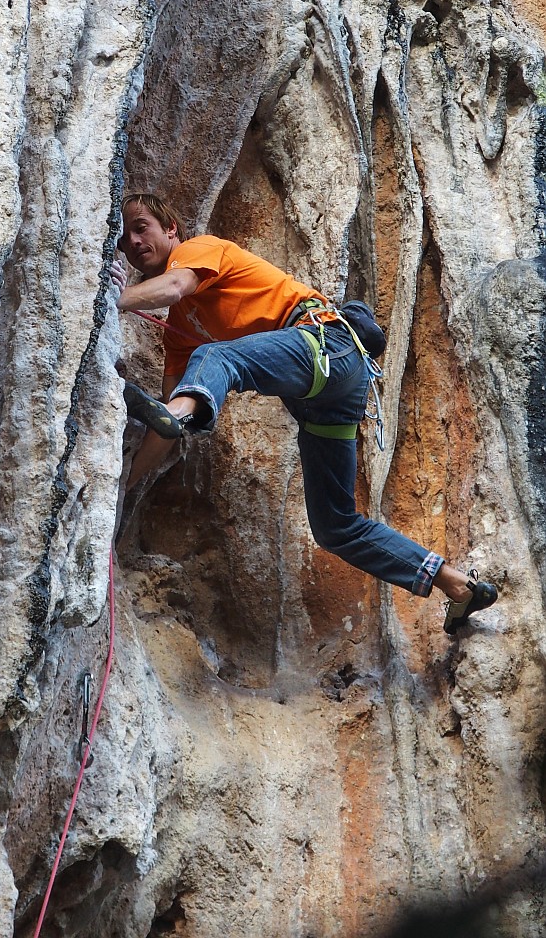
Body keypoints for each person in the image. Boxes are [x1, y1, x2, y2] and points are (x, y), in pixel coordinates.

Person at [110, 192, 498, 635]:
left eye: (142, 227)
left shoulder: (199, 249)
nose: (133, 241)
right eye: (124, 239)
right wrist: (126, 483)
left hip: (326, 344)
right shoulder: (179, 334)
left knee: (217, 359)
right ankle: (457, 584)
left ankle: (185, 413)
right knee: (335, 526)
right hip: (327, 397)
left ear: (171, 229)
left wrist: (114, 297)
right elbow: (165, 420)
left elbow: (177, 286)